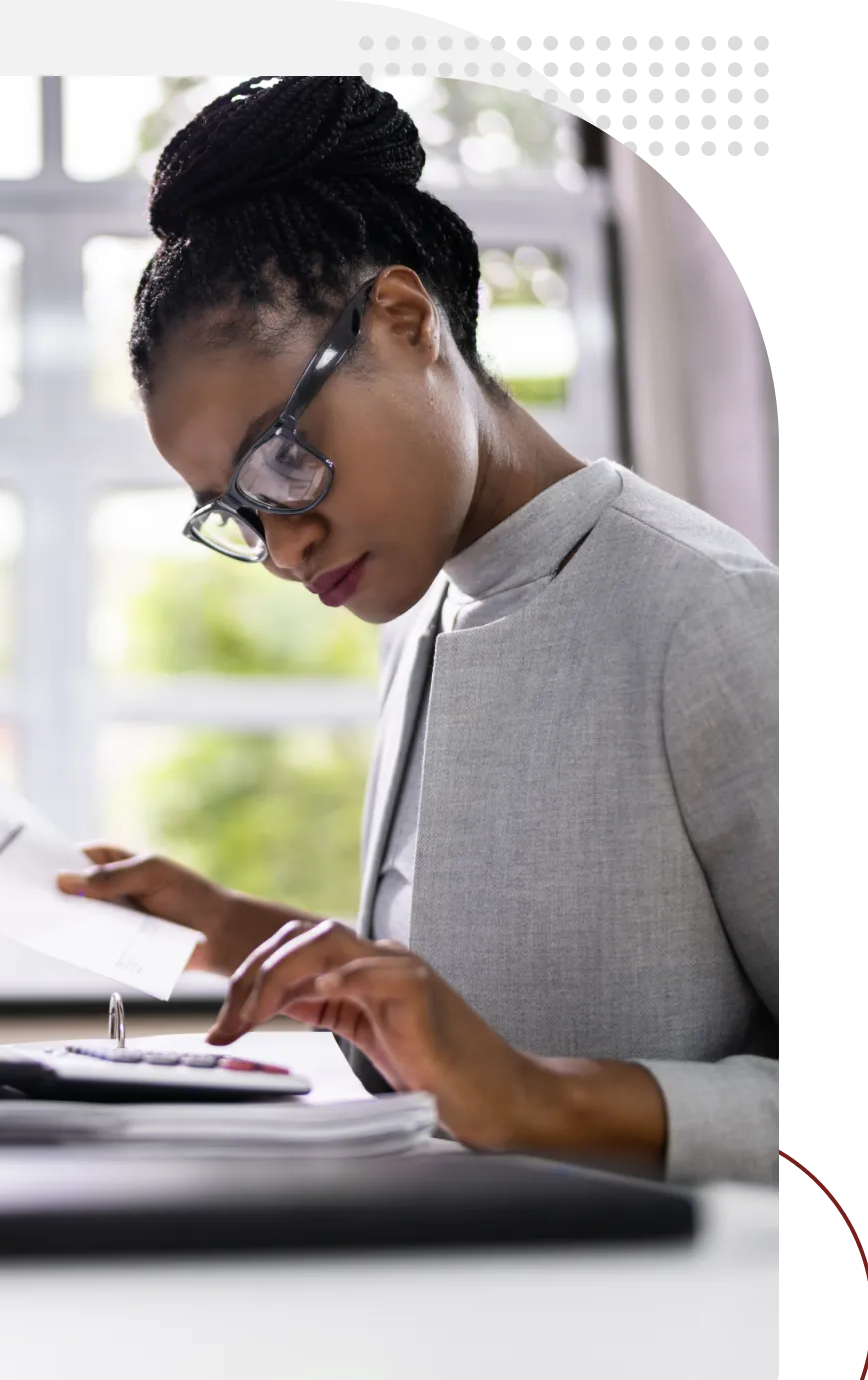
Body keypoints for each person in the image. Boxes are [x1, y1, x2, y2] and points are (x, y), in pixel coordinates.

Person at [56, 76, 782, 1184]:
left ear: (405, 322)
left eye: (284, 459)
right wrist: (228, 922)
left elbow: (503, 1073)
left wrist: (542, 1096)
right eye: (239, 512)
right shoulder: (426, 607)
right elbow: (457, 1001)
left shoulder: (704, 614)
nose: (285, 547)